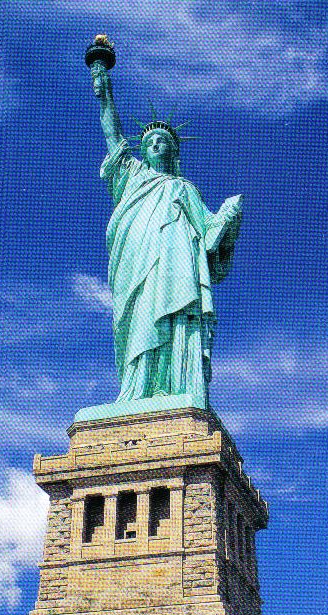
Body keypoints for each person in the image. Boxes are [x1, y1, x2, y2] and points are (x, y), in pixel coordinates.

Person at [91, 60, 243, 404]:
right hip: (136, 260)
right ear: (144, 151)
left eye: (163, 141)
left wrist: (228, 219)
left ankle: (176, 386)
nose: (156, 144)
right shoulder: (132, 176)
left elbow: (210, 236)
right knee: (140, 318)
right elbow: (113, 135)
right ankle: (137, 389)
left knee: (175, 314)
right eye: (150, 142)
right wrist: (104, 91)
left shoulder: (184, 188)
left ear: (173, 152)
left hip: (176, 263)